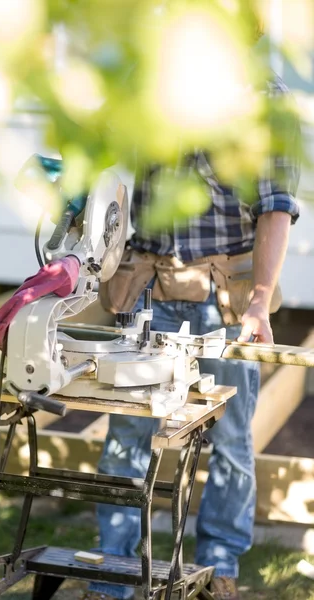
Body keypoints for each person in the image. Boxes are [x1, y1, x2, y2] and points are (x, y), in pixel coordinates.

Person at [82, 73, 301, 600]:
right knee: (129, 434)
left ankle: (218, 566)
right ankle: (114, 574)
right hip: (149, 290)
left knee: (229, 441)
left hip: (223, 296)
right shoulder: (156, 71)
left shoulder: (263, 97)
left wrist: (260, 299)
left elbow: (275, 205)